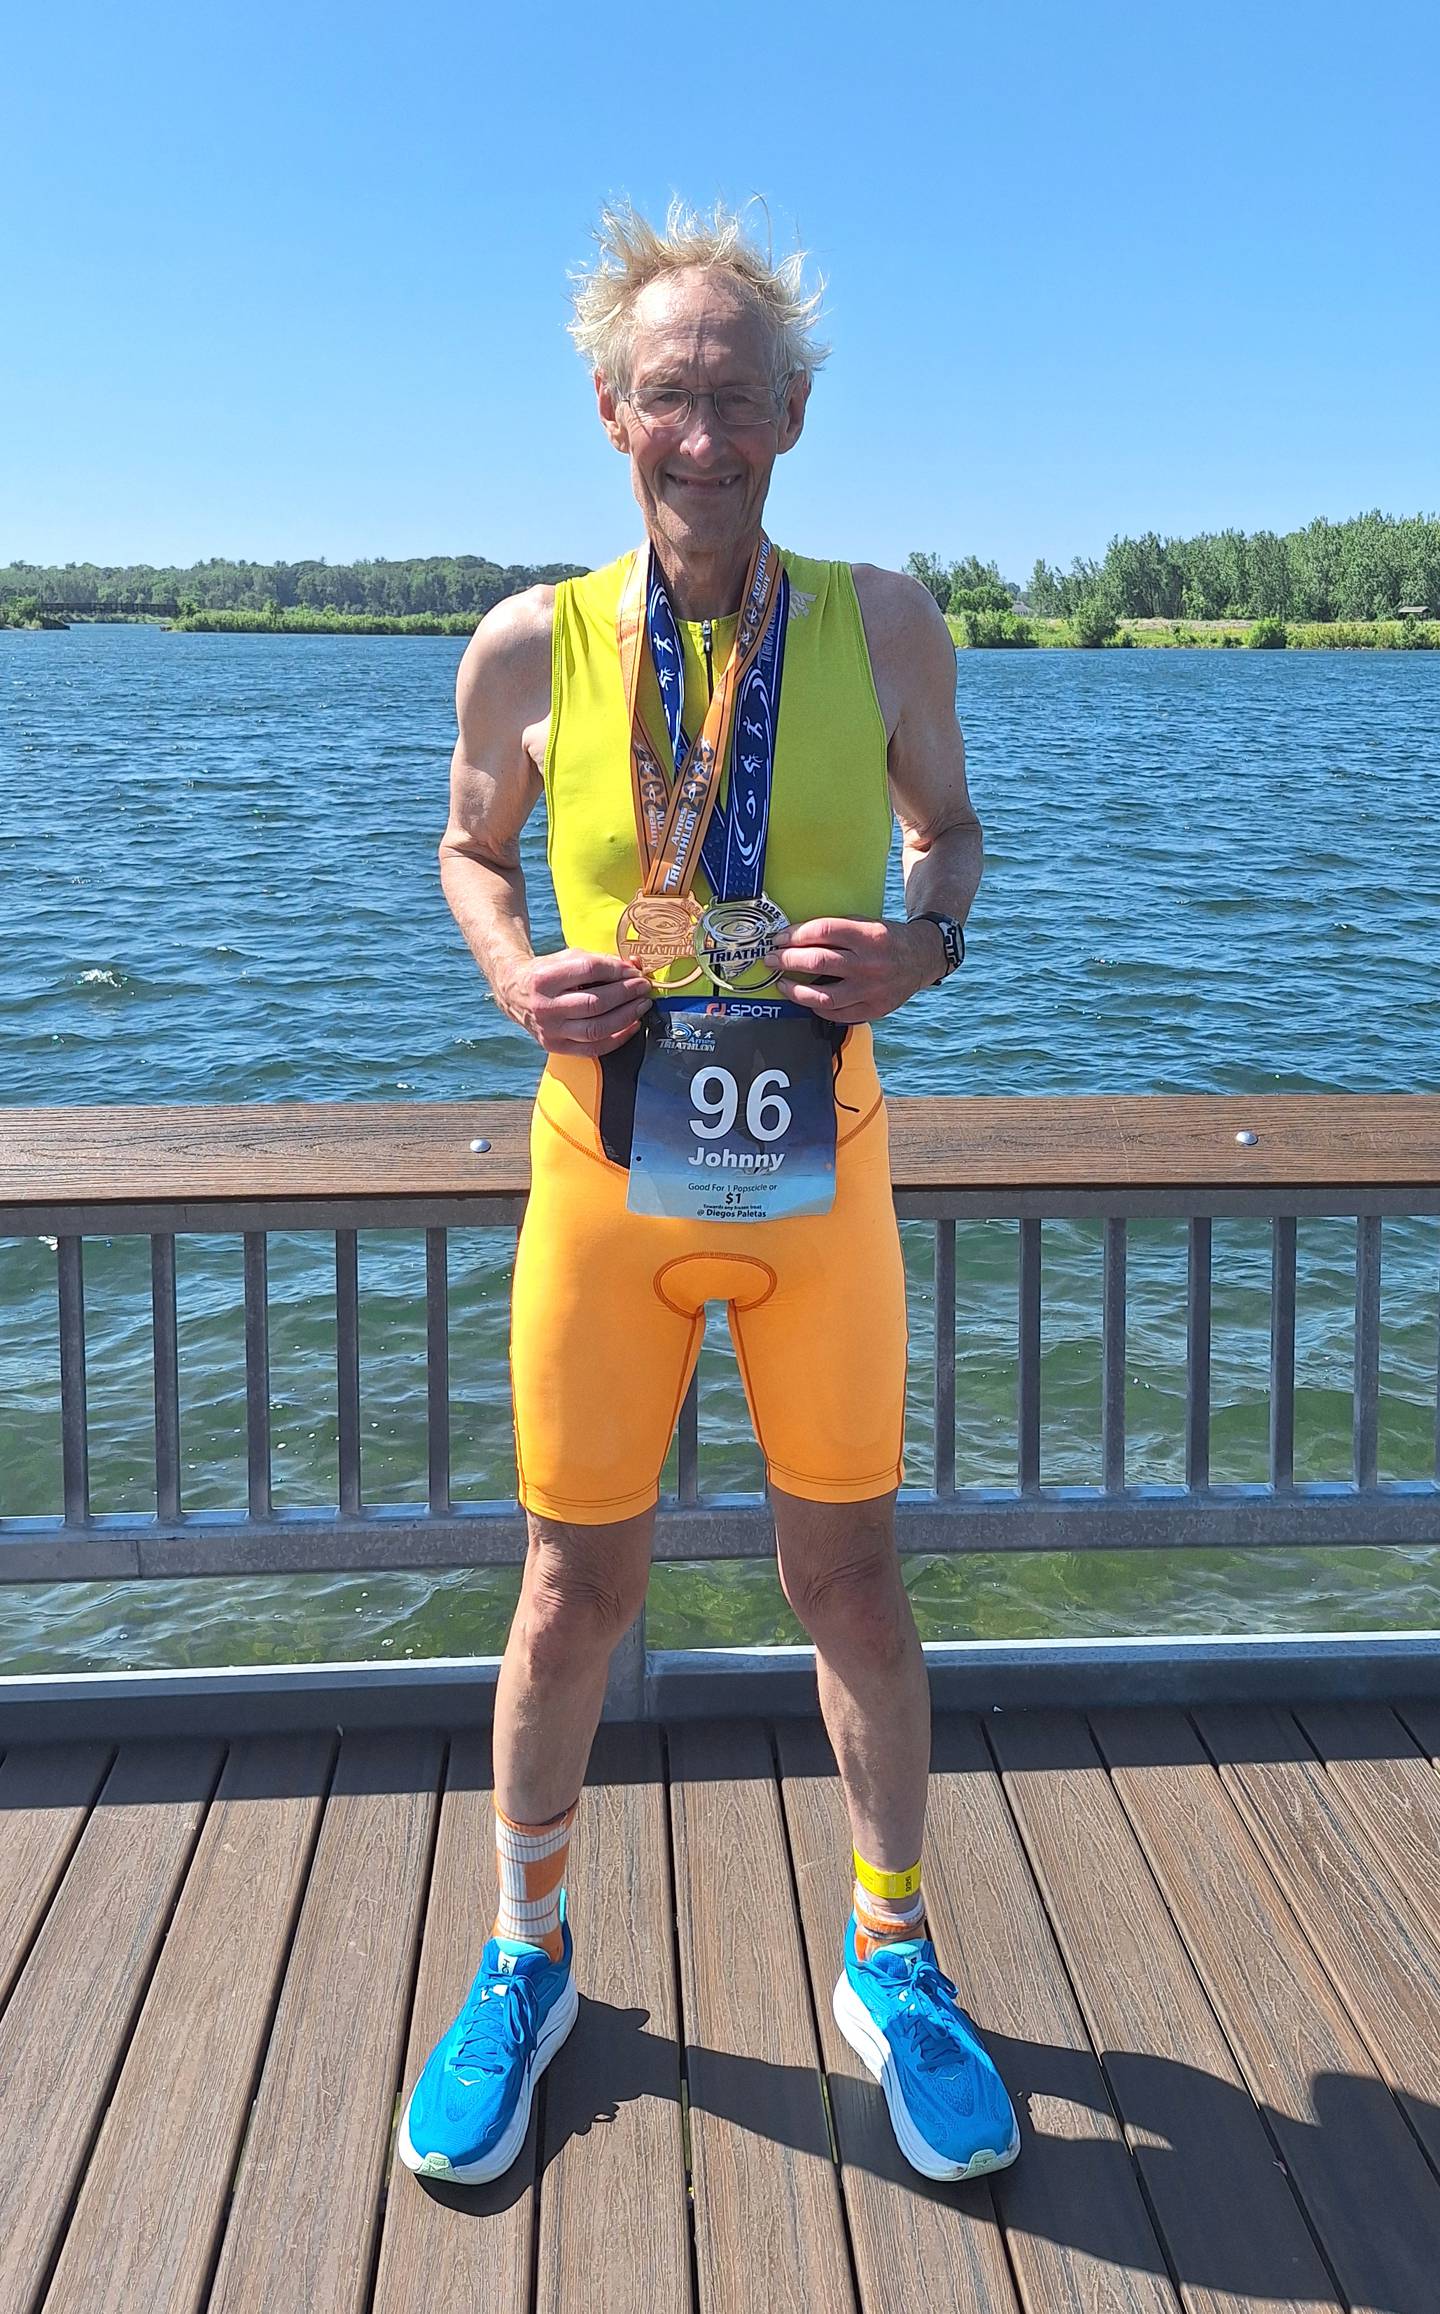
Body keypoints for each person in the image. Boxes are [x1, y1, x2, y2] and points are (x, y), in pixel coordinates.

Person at [398, 200, 1019, 2191]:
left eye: (739, 394)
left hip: (819, 1177)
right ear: (611, 410)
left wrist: (919, 951)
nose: (704, 427)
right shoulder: (530, 642)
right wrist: (511, 970)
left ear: (791, 418)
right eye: (670, 390)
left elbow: (956, 834)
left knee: (849, 1578)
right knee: (573, 1589)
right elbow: (469, 848)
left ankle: (897, 1950)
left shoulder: (888, 623)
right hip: (605, 1181)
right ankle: (529, 1953)